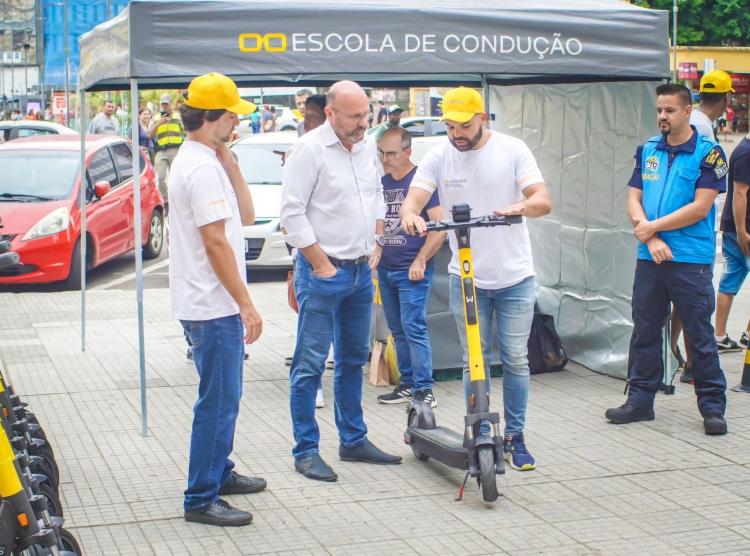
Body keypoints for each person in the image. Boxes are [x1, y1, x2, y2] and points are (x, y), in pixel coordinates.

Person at [400, 86, 551, 471]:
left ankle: (515, 436)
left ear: (483, 118)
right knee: (474, 360)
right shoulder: (438, 156)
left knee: (515, 358)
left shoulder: (513, 150)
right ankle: (480, 428)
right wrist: (412, 216)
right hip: (465, 277)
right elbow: (413, 200)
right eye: (450, 126)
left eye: (464, 126)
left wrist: (521, 206)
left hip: (514, 276)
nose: (456, 134)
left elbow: (541, 199)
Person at [280, 80, 401, 482]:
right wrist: (320, 264)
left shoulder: (366, 147)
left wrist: (378, 239)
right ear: (330, 113)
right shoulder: (309, 150)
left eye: (366, 114)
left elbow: (377, 196)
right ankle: (306, 451)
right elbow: (292, 214)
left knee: (352, 359)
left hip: (359, 272)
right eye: (354, 117)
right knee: (310, 364)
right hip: (323, 271)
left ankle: (352, 439)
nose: (363, 123)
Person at [169, 72, 265, 527]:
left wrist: (232, 162)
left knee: (224, 396)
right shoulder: (201, 167)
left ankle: (218, 473)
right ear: (212, 118)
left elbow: (245, 217)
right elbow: (216, 244)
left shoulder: (207, 159)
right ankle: (201, 496)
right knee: (219, 401)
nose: (237, 123)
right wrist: (245, 302)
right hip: (213, 305)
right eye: (232, 116)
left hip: (208, 302)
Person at [604, 83, 728, 436]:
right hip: (651, 256)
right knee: (645, 329)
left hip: (690, 258)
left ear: (688, 112)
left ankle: (712, 406)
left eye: (670, 110)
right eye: (659, 109)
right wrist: (652, 237)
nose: (662, 116)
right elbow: (633, 199)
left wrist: (651, 228)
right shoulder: (648, 150)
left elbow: (701, 207)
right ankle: (640, 400)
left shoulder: (710, 154)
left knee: (699, 333)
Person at [672, 70, 736, 384]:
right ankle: (691, 363)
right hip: (691, 235)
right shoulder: (704, 134)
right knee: (694, 304)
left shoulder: (694, 122)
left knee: (680, 303)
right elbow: (702, 197)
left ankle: (680, 358)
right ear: (726, 99)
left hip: (675, 231)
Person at [375, 127, 445, 408]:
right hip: (387, 268)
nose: (385, 158)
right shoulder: (381, 182)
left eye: (391, 153)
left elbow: (439, 228)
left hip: (412, 269)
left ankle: (424, 389)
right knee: (397, 329)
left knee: (414, 327)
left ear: (408, 152)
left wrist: (421, 259)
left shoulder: (422, 182)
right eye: (381, 152)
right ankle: (407, 384)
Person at [714, 129, 750, 355]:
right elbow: (739, 193)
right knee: (729, 281)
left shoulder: (744, 149)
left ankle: (720, 336)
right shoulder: (746, 152)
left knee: (729, 280)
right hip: (743, 228)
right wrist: (742, 231)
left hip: (735, 227)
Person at [148, 94, 185, 213]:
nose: (164, 106)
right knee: (159, 178)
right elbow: (149, 135)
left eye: (166, 104)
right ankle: (166, 201)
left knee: (177, 178)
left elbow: (187, 131)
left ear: (170, 104)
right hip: (161, 151)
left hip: (176, 150)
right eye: (162, 104)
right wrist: (159, 123)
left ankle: (178, 201)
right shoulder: (156, 118)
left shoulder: (178, 116)